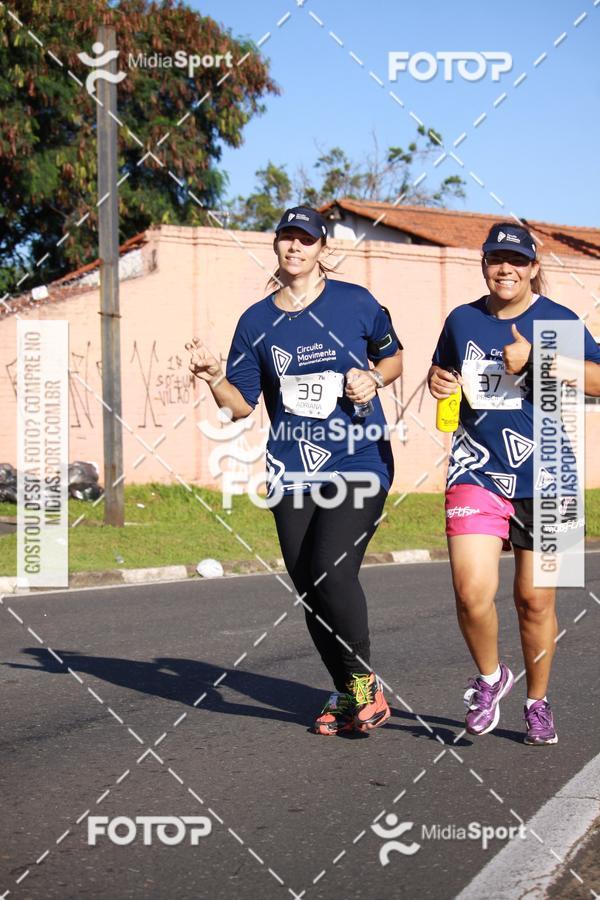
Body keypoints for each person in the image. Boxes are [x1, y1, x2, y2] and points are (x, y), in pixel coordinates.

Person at [186, 207, 403, 735]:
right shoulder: (256, 322)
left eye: (306, 240)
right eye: (287, 238)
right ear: (277, 246)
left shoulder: (356, 302)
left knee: (331, 568)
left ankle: (362, 686)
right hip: (291, 468)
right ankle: (348, 688)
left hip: (357, 458)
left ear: (322, 249)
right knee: (308, 584)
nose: (295, 247)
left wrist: (373, 378)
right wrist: (215, 375)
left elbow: (395, 359)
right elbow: (240, 406)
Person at [428, 222, 600, 745]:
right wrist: (439, 384)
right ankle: (489, 678)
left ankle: (537, 701)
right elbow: (443, 378)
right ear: (483, 265)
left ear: (533, 267)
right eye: (495, 259)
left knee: (535, 601)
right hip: (477, 467)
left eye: (517, 260)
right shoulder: (463, 320)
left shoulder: (558, 319)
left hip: (553, 473)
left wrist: (541, 360)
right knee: (470, 591)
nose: (506, 268)